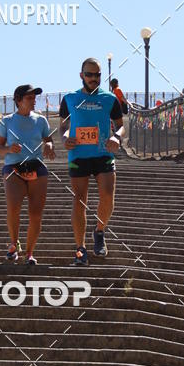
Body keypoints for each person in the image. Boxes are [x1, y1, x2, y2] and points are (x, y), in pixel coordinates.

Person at [59, 58, 124, 266]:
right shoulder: (69, 98)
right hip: (78, 155)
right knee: (79, 199)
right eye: (89, 75)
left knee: (107, 194)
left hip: (103, 153)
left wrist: (117, 137)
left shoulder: (110, 98)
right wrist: (64, 138)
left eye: (97, 75)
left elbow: (122, 125)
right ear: (81, 76)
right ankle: (80, 248)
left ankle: (99, 231)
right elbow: (63, 126)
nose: (94, 78)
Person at [0, 84, 55, 265]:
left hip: (36, 165)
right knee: (14, 206)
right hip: (14, 166)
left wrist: (49, 146)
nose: (33, 100)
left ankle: (29, 252)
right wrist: (8, 149)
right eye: (29, 97)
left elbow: (49, 139)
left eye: (34, 97)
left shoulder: (41, 120)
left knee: (35, 213)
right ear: (18, 100)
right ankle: (14, 244)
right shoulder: (6, 121)